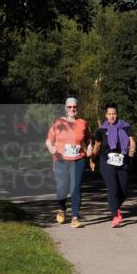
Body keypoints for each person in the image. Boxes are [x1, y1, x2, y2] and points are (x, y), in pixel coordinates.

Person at [45, 97, 92, 228]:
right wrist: (51, 148)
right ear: (66, 108)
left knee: (75, 188)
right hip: (61, 160)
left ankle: (75, 217)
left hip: (78, 160)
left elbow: (88, 139)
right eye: (70, 107)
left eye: (74, 107)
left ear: (78, 108)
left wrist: (89, 147)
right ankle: (61, 208)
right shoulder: (58, 122)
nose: (72, 109)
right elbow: (49, 139)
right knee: (62, 189)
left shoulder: (82, 123)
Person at [92, 103, 136, 228]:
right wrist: (92, 159)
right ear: (106, 115)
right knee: (113, 188)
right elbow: (97, 146)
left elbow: (132, 141)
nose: (112, 116)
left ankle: (115, 207)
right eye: (109, 114)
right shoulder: (101, 130)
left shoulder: (126, 126)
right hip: (106, 161)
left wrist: (132, 152)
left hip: (122, 160)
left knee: (123, 191)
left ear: (117, 114)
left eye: (114, 114)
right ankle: (115, 216)